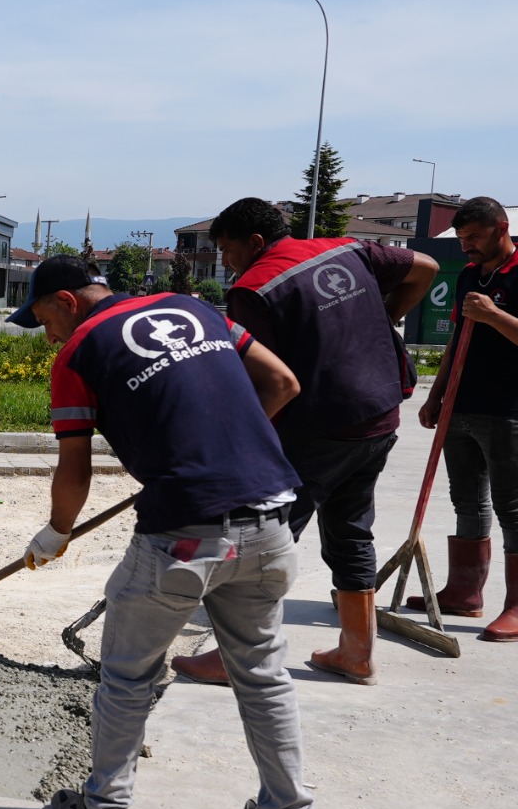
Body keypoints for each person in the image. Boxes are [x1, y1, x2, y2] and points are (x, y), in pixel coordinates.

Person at [13, 256, 318, 809]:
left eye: (44, 317)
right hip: (270, 525)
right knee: (262, 675)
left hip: (182, 538)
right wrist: (218, 452)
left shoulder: (77, 354)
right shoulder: (196, 308)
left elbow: (76, 467)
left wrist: (55, 532)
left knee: (127, 677)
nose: (47, 334)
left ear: (68, 302)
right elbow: (283, 383)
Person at [171, 199, 438, 686]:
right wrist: (385, 315)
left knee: (260, 541)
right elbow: (426, 266)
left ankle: (237, 658)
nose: (226, 261)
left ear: (254, 242)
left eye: (228, 250)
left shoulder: (255, 288)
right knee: (352, 531)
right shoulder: (348, 249)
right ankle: (357, 654)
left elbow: (267, 380)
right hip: (377, 418)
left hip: (316, 429)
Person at [410, 196, 518, 641]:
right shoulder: (471, 275)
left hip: (508, 410)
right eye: (461, 239)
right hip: (461, 405)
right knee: (467, 501)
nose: (467, 247)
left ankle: (515, 606)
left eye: (474, 237)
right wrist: (436, 397)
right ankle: (464, 593)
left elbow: (489, 324)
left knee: (513, 509)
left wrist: (493, 315)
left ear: (501, 227)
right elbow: (458, 336)